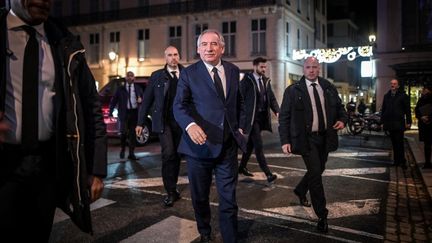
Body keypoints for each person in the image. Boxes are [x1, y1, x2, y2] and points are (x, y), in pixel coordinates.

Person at [0, 0, 107, 241]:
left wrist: (96, 170)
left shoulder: (64, 43)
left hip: (47, 165)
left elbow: (90, 107)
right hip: (4, 163)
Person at [173, 29, 247, 243]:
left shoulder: (233, 70)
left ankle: (230, 238)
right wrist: (190, 125)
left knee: (229, 199)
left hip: (227, 146)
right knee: (200, 197)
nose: (209, 48)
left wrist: (241, 127)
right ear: (198, 49)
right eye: (204, 44)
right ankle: (205, 232)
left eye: (214, 44)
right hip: (199, 146)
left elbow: (240, 103)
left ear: (222, 48)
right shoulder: (188, 73)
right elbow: (179, 106)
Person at [278, 56, 347, 233]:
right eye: (308, 67)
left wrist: (342, 120)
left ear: (319, 68)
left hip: (326, 137)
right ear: (303, 69)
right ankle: (322, 216)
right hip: (305, 139)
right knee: (316, 175)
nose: (311, 70)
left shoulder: (328, 87)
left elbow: (340, 108)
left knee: (319, 169)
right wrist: (285, 140)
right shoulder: (293, 90)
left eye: (314, 67)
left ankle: (301, 190)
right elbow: (284, 117)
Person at [136, 46, 184, 207]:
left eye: (175, 54)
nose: (173, 58)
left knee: (177, 155)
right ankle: (170, 191)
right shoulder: (157, 76)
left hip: (182, 122)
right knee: (168, 153)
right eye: (170, 55)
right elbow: (147, 100)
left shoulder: (186, 74)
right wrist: (140, 122)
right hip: (164, 122)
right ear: (165, 57)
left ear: (179, 56)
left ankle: (174, 187)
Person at [238, 57, 279, 182]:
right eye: (261, 67)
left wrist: (277, 111)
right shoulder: (247, 80)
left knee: (250, 145)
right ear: (255, 66)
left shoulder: (265, 81)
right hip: (252, 119)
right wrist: (241, 120)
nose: (264, 69)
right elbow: (240, 100)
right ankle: (268, 174)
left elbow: (271, 98)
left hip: (262, 118)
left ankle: (242, 167)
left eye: (265, 67)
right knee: (259, 146)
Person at [109, 71, 143, 160]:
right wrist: (110, 112)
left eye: (131, 76)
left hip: (134, 113)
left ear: (134, 78)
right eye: (128, 76)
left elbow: (144, 99)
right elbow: (114, 101)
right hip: (124, 113)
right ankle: (123, 149)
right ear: (126, 78)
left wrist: (141, 100)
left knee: (132, 134)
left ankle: (131, 153)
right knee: (123, 133)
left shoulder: (138, 88)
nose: (130, 78)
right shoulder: (120, 89)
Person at [381, 79, 412, 169]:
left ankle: (402, 161)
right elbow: (384, 109)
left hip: (399, 123)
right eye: (391, 83)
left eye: (394, 84)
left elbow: (407, 109)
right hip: (390, 123)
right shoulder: (386, 96)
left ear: (398, 85)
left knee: (399, 143)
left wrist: (409, 121)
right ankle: (396, 161)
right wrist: (382, 122)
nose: (392, 85)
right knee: (394, 143)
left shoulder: (403, 96)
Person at [415, 85, 432, 169]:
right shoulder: (421, 99)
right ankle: (427, 162)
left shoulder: (426, 99)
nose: (422, 90)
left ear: (428, 90)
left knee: (428, 144)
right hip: (424, 124)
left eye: (424, 89)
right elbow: (416, 110)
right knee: (427, 144)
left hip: (429, 124)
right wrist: (421, 117)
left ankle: (428, 163)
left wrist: (427, 118)